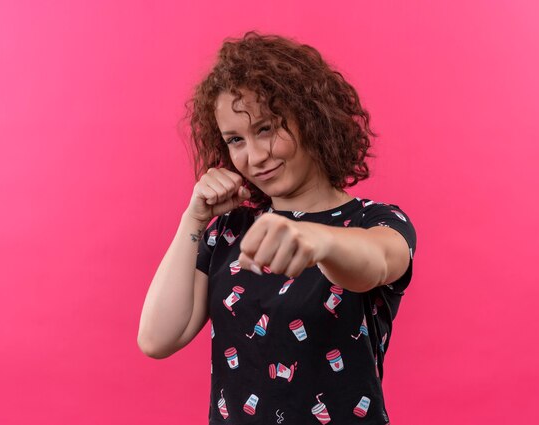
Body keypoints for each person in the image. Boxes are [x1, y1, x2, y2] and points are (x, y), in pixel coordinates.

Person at [138, 31, 417, 425]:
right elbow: (156, 338)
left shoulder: (375, 222)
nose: (254, 157)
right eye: (236, 139)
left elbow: (375, 262)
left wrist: (317, 238)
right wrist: (194, 219)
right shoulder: (228, 231)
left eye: (266, 128)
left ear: (311, 118)